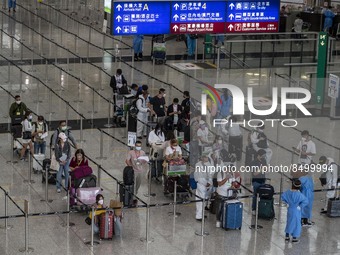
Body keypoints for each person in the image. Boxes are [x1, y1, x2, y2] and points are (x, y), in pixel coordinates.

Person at [194, 152, 214, 221]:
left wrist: (209, 183)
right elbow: (199, 177)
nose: (206, 158)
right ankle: (199, 216)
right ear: (202, 158)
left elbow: (211, 175)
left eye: (207, 157)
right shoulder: (198, 165)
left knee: (204, 200)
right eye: (205, 157)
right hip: (201, 185)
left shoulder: (209, 164)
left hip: (208, 185)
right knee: (200, 201)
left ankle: (201, 214)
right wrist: (206, 184)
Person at [251, 149, 267, 215]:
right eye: (263, 156)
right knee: (255, 195)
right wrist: (261, 169)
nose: (264, 157)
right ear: (258, 155)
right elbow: (254, 173)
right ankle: (254, 209)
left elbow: (265, 169)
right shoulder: (253, 163)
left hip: (262, 180)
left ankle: (261, 208)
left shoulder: (264, 161)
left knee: (262, 195)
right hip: (256, 181)